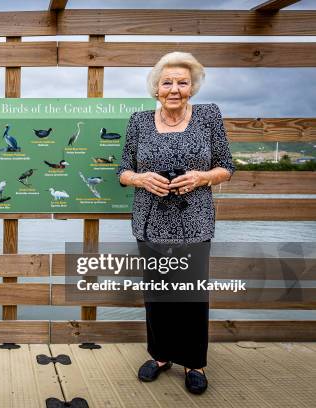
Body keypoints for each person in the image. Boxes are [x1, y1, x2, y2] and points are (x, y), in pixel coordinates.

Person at [116, 51, 236, 395]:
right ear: (156, 87)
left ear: (192, 88)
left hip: (194, 220)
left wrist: (201, 178)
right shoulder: (139, 121)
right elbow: (122, 170)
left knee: (191, 295)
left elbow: (226, 166)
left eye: (182, 82)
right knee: (158, 294)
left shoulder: (209, 116)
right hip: (150, 221)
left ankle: (194, 362)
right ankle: (160, 356)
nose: (174, 88)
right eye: (167, 82)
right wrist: (140, 180)